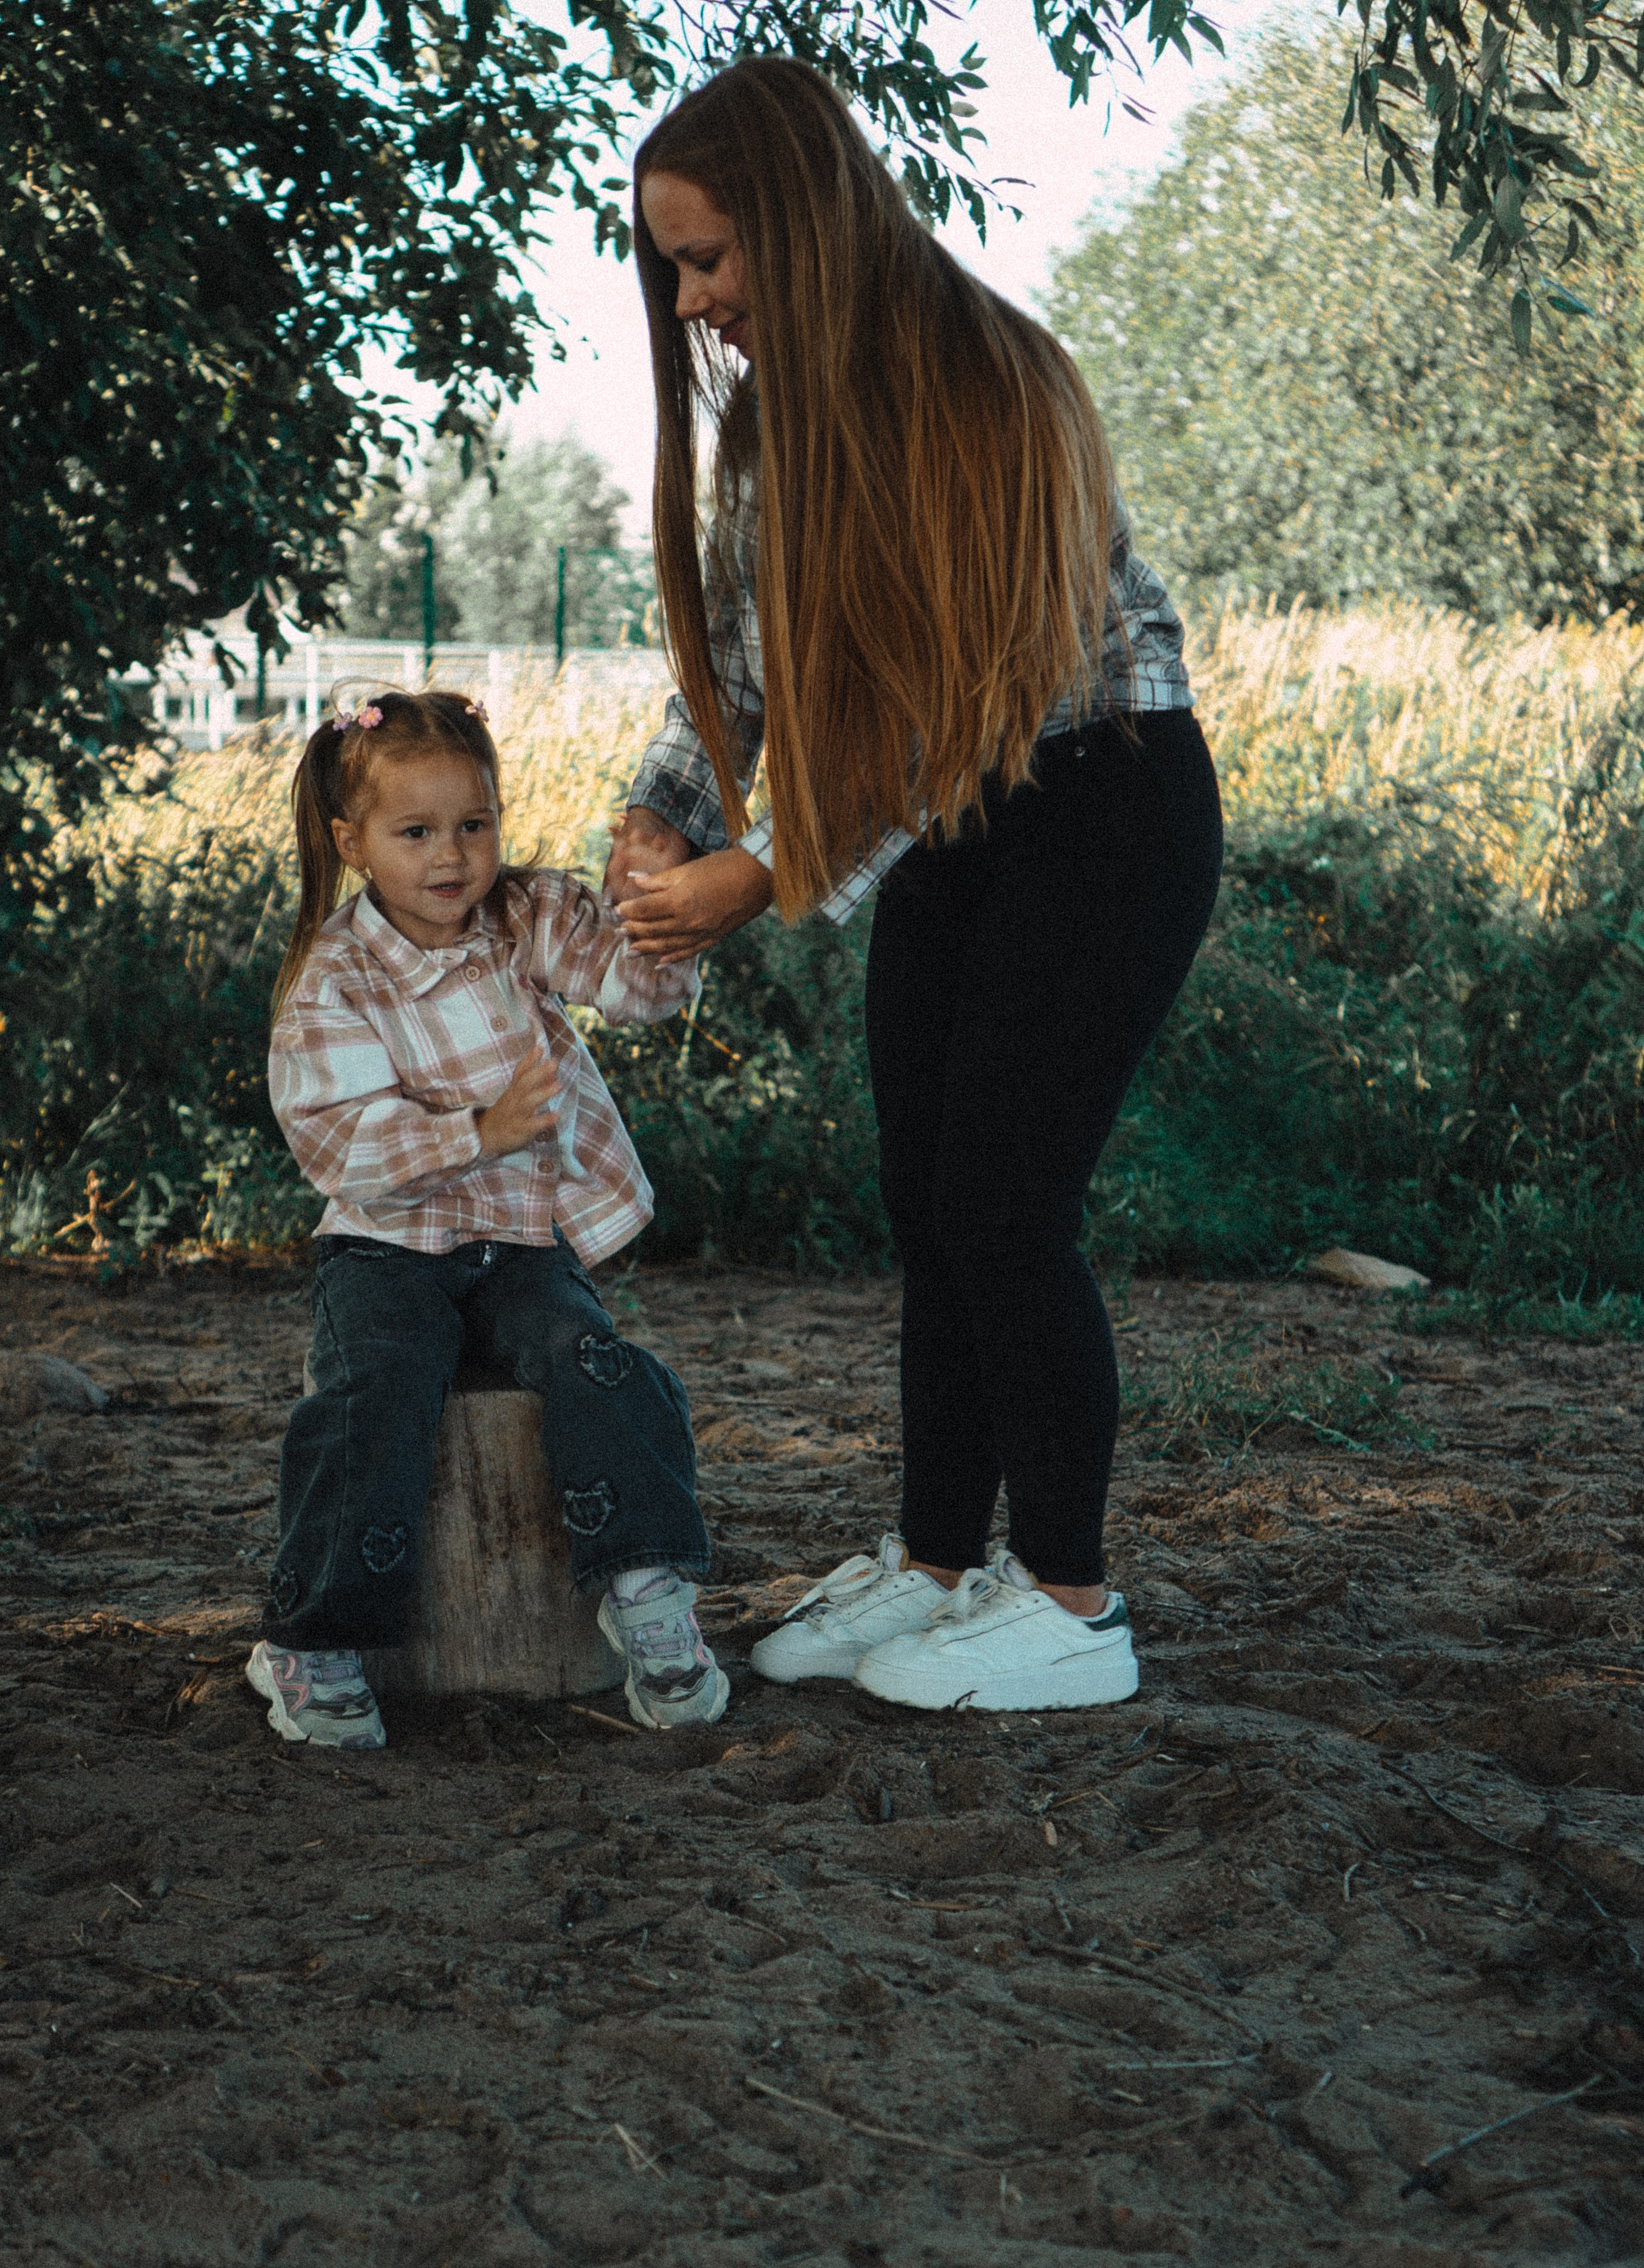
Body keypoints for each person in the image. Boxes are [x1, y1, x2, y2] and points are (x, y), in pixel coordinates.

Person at [607, 59, 1222, 1715]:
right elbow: (734, 674)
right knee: (927, 1202)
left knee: (1006, 1207)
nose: (693, 302)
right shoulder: (775, 430)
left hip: (1099, 802)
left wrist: (768, 871)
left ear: (803, 227)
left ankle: (1074, 1603)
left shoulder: (986, 381)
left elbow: (972, 698)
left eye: (713, 258)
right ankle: (940, 1562)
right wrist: (660, 819)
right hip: (954, 832)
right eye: (672, 268)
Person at [244, 687, 729, 1751]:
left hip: (517, 1242)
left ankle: (648, 1595)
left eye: (475, 824)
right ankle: (314, 1634)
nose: (452, 856)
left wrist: (661, 909)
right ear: (353, 841)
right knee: (376, 1391)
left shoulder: (524, 916)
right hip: (384, 1251)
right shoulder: (336, 974)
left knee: (592, 1358)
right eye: (414, 832)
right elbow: (338, 1143)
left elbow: (636, 989)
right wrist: (480, 1128)